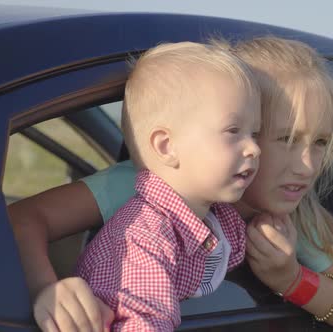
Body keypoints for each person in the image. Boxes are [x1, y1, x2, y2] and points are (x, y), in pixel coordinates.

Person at [9, 37, 333, 332]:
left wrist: (291, 279)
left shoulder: (292, 219)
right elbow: (24, 219)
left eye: (320, 143)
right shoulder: (144, 186)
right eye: (283, 139)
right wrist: (47, 288)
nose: (308, 165)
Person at [75, 41, 261, 331]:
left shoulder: (217, 217)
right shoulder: (142, 240)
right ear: (167, 146)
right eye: (233, 131)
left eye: (256, 133)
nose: (254, 148)